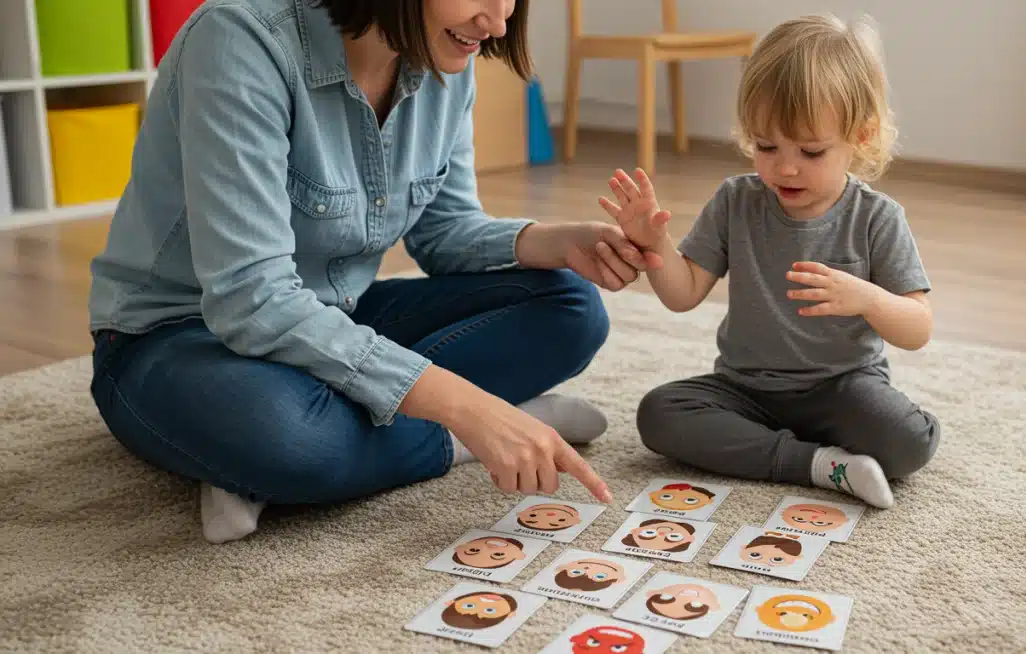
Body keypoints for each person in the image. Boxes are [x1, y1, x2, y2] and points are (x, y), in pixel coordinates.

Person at [87, 0, 660, 544]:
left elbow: (444, 232)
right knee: (289, 439)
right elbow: (251, 299)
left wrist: (558, 242)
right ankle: (453, 438)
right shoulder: (240, 39)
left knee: (570, 308)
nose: (499, 22)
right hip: (176, 336)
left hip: (331, 315)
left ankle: (286, 464)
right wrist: (468, 408)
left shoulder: (446, 49)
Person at [598, 14, 940, 509]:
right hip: (745, 390)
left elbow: (917, 329)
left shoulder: (876, 218)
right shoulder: (736, 201)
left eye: (812, 150)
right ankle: (819, 465)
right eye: (766, 146)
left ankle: (783, 451)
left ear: (860, 138)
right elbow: (682, 294)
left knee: (909, 442)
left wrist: (864, 297)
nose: (785, 166)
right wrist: (656, 247)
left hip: (841, 389)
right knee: (659, 414)